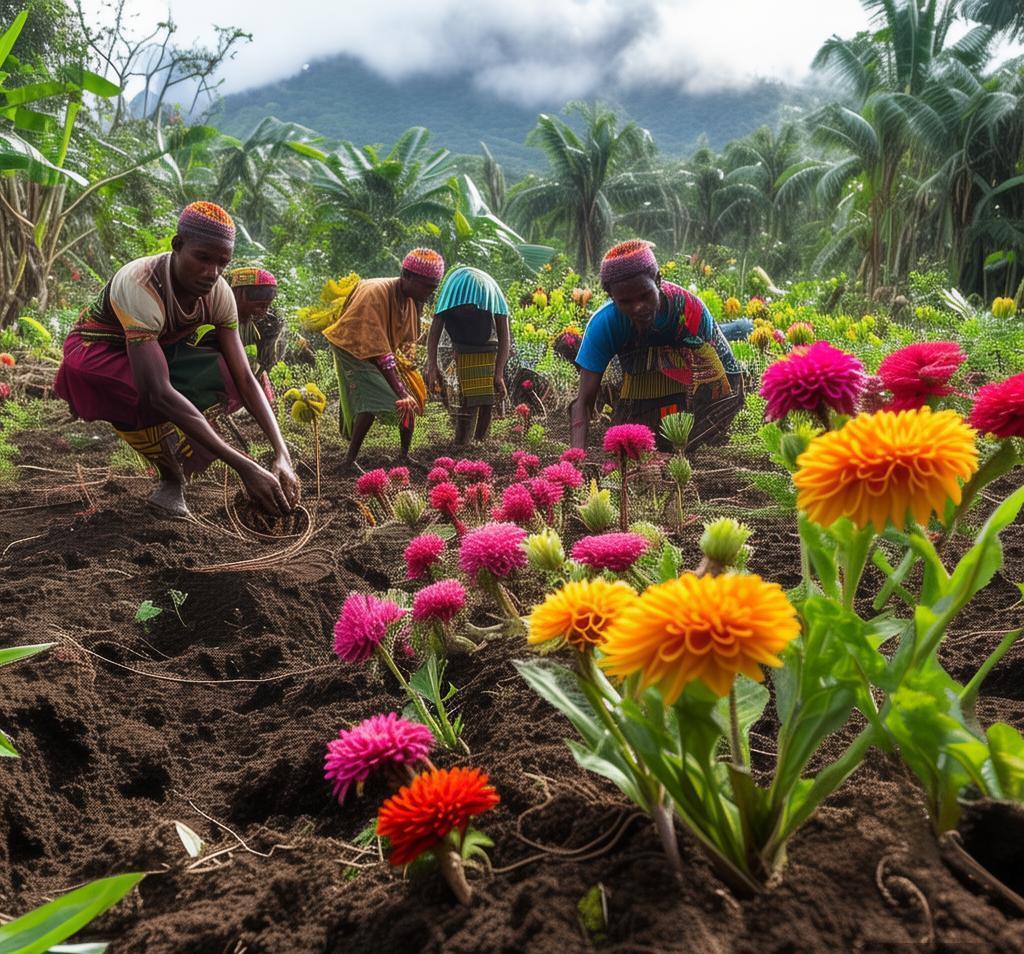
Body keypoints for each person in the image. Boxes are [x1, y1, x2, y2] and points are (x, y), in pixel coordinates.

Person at [54, 202, 299, 518]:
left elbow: (245, 379)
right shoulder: (140, 283)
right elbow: (156, 391)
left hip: (156, 349)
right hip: (96, 354)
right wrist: (245, 466)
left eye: (222, 262)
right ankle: (171, 477)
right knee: (145, 397)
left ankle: (184, 460)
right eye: (202, 258)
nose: (211, 272)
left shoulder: (219, 293)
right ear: (178, 246)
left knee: (224, 374)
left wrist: (282, 453)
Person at [570, 239, 744, 452]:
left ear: (658, 281)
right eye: (625, 302)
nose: (638, 307)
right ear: (612, 299)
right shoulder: (604, 324)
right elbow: (583, 402)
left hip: (691, 378)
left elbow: (731, 379)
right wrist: (576, 457)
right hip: (633, 378)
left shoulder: (690, 311)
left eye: (645, 295)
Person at [324, 249, 443, 470]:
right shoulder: (375, 293)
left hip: (378, 351)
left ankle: (402, 456)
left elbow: (404, 343)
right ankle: (350, 461)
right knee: (388, 400)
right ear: (407, 276)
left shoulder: (411, 299)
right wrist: (401, 391)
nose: (430, 293)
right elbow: (377, 349)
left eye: (433, 288)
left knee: (403, 399)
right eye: (427, 287)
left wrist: (408, 376)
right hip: (352, 347)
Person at [425, 266, 510, 444]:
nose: (469, 307)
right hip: (462, 351)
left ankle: (480, 443)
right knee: (465, 401)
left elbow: (504, 336)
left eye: (473, 307)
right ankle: (461, 443)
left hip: (487, 351)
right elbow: (435, 331)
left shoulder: (491, 297)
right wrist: (432, 366)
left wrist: (499, 372)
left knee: (487, 399)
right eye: (464, 308)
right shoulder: (450, 297)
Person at [227, 266, 286, 378]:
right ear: (238, 294)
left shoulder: (257, 326)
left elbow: (267, 364)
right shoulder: (219, 322)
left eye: (267, 307)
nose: (263, 313)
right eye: (260, 306)